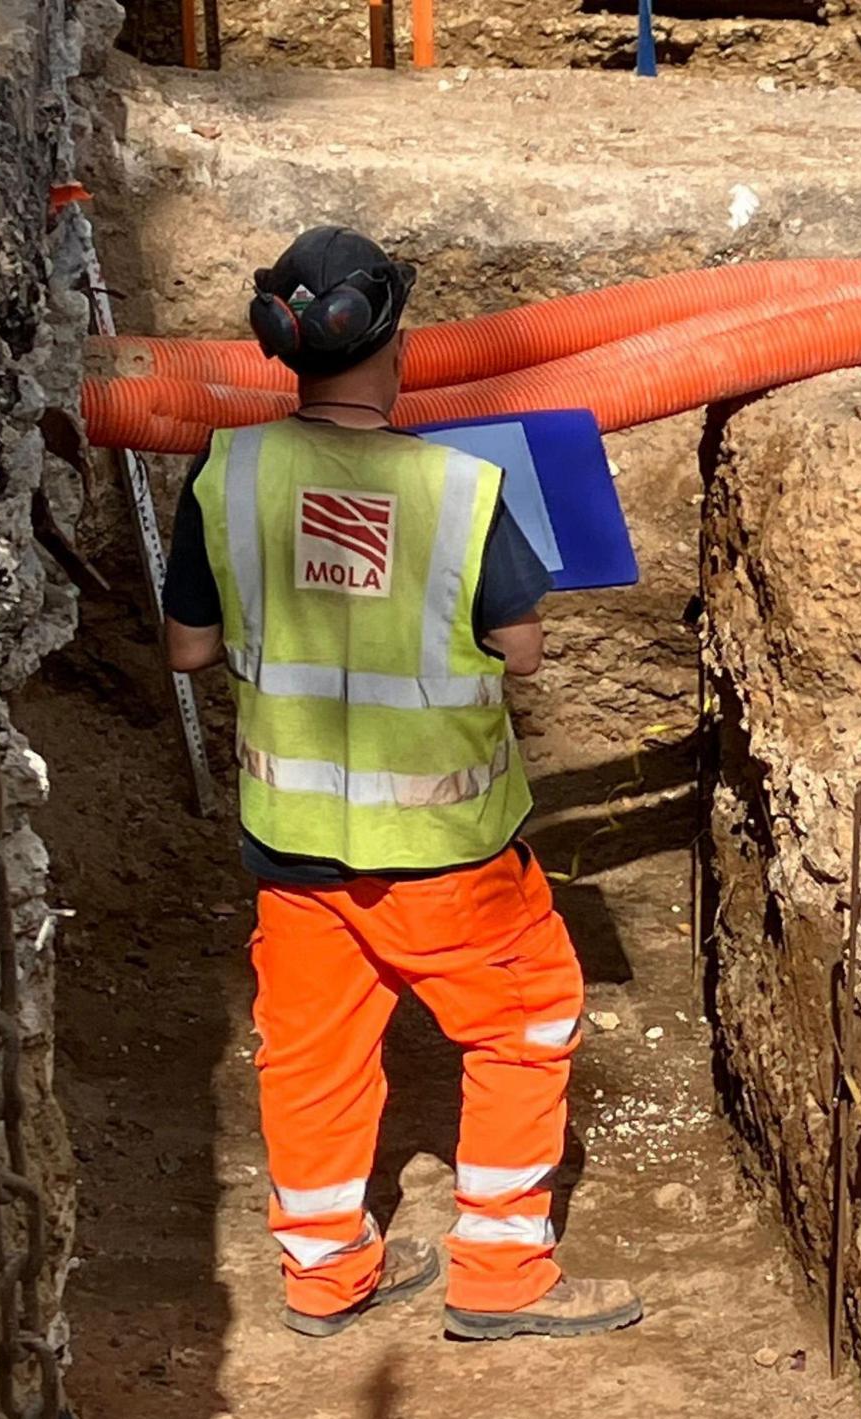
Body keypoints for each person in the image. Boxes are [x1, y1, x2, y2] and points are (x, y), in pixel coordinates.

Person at [161, 225, 643, 1342]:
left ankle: (325, 1279)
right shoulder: (463, 489)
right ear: (401, 349)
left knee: (312, 1058)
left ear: (283, 347)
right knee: (527, 1027)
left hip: (293, 847)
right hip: (449, 853)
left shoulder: (225, 473)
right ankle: (502, 1277)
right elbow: (519, 652)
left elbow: (188, 650)